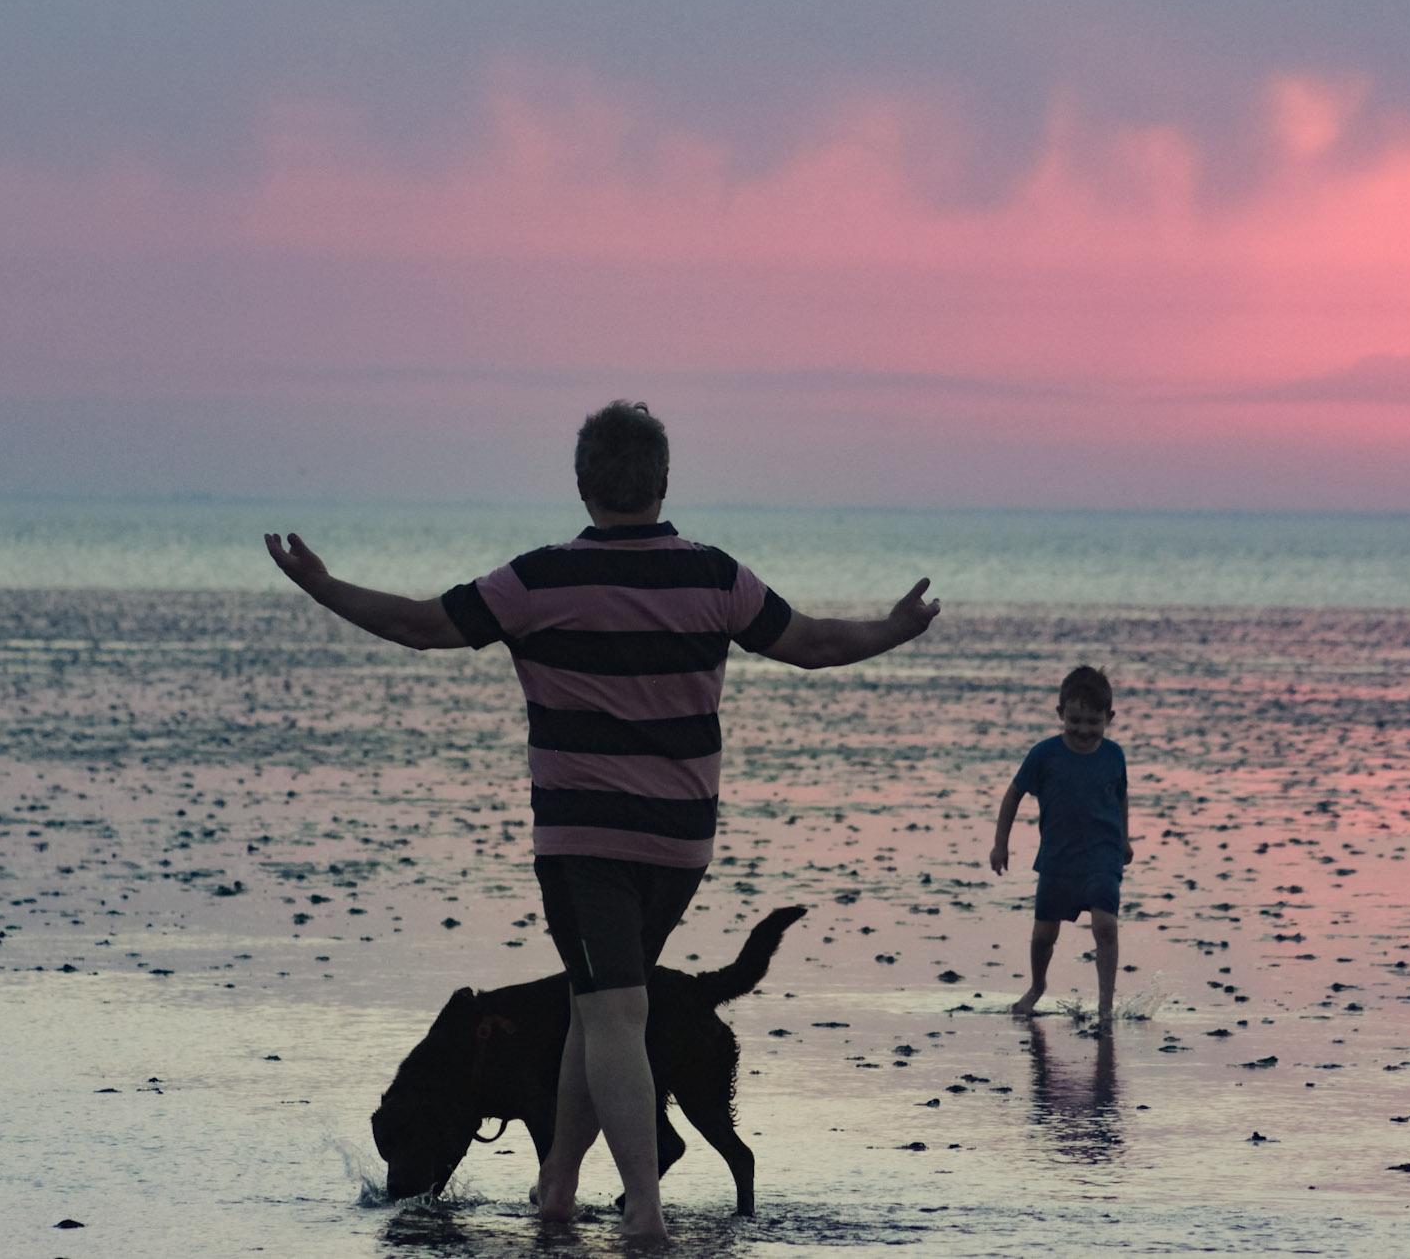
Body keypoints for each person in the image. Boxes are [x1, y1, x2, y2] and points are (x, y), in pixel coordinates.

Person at [265, 400, 939, 1240]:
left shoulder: (539, 580)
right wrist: (895, 628)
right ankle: (555, 1191)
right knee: (595, 1007)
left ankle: (645, 1214)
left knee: (616, 1014)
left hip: (586, 845)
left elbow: (420, 626)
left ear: (583, 484)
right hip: (681, 844)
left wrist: (322, 585)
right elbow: (811, 643)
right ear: (663, 481)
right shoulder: (716, 576)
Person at [989, 665, 1131, 1028]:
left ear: (1109, 718)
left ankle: (1105, 1007)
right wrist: (1000, 844)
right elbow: (1013, 795)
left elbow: (1120, 797)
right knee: (1043, 935)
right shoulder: (1044, 755)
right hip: (1057, 859)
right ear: (1060, 715)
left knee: (1105, 926)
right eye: (1075, 720)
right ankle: (1037, 986)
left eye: (1093, 722)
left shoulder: (1114, 756)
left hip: (1103, 855)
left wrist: (1124, 839)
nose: (1084, 730)